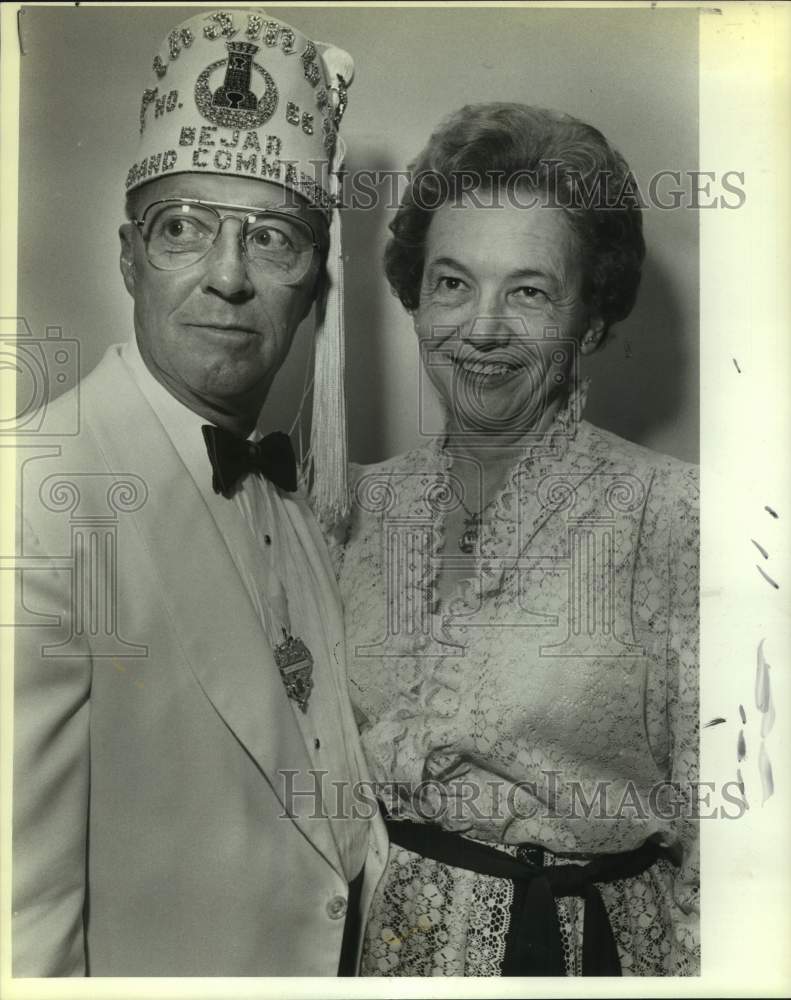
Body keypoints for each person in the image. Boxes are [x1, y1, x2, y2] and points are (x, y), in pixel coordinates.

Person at [12, 8, 386, 977]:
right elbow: (20, 920)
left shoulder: (295, 498)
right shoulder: (34, 494)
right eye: (184, 229)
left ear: (314, 289)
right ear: (128, 257)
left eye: (272, 239)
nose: (226, 277)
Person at [331, 103, 699, 976]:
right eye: (453, 283)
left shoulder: (674, 517)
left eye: (528, 291)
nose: (482, 329)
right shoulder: (351, 508)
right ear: (415, 294)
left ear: (591, 320)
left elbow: (742, 852)